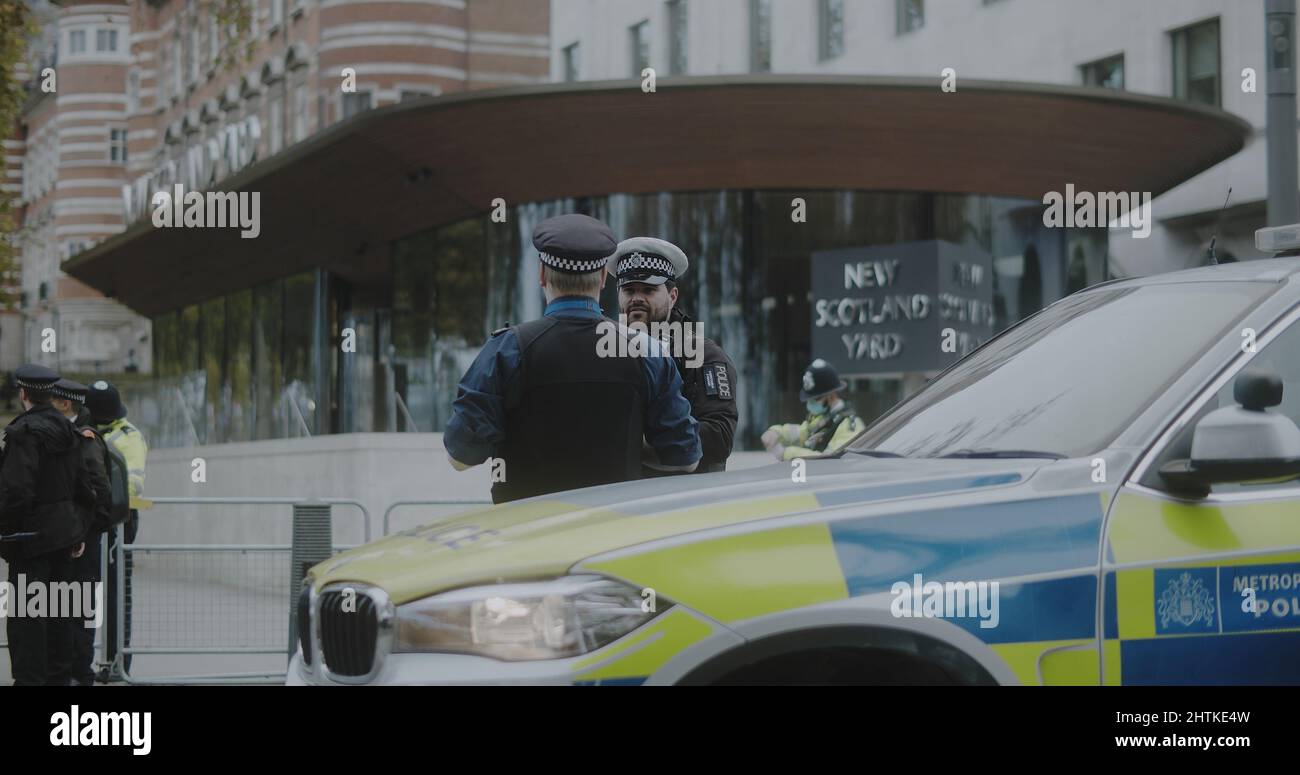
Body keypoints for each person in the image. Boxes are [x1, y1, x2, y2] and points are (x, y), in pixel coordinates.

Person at [444, 213, 701, 503]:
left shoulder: (507, 349)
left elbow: (460, 456)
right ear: (604, 278)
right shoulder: (648, 351)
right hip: (611, 532)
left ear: (541, 275)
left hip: (524, 532)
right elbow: (685, 458)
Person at [609, 237, 738, 473]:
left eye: (648, 289)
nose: (636, 298)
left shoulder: (704, 354)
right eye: (628, 290)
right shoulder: (608, 349)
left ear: (673, 296)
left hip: (683, 500)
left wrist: (640, 442)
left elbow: (720, 437)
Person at [0, 365, 94, 685]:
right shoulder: (72, 433)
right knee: (59, 620)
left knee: (27, 624)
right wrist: (76, 530)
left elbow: (15, 493)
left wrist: (8, 535)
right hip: (63, 543)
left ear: (23, 394)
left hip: (30, 543)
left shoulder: (22, 434)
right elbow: (86, 490)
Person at [50, 378, 113, 686]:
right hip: (72, 538)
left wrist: (87, 533)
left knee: (81, 609)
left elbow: (101, 492)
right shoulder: (69, 433)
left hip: (82, 540)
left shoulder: (85, 439)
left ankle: (80, 674)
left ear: (66, 404)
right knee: (66, 606)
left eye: (52, 400)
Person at [84, 379, 147, 677]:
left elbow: (132, 483)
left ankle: (116, 662)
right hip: (91, 519)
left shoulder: (128, 436)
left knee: (117, 593)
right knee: (85, 592)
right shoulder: (84, 432)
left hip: (120, 521)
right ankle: (86, 662)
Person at [762, 359, 864, 460]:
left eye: (815, 399)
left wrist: (786, 453)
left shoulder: (849, 426)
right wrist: (776, 432)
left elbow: (830, 461)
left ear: (831, 396)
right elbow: (802, 432)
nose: (810, 403)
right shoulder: (823, 418)